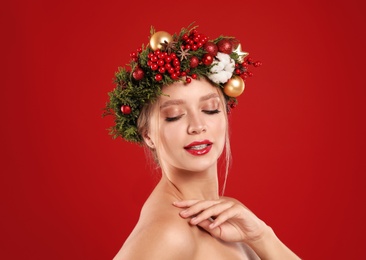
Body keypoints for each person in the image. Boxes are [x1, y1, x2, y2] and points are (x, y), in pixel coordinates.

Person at [104, 24, 301, 260]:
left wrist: (261, 236)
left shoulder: (230, 218)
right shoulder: (169, 231)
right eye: (174, 115)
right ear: (148, 135)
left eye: (209, 110)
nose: (197, 125)